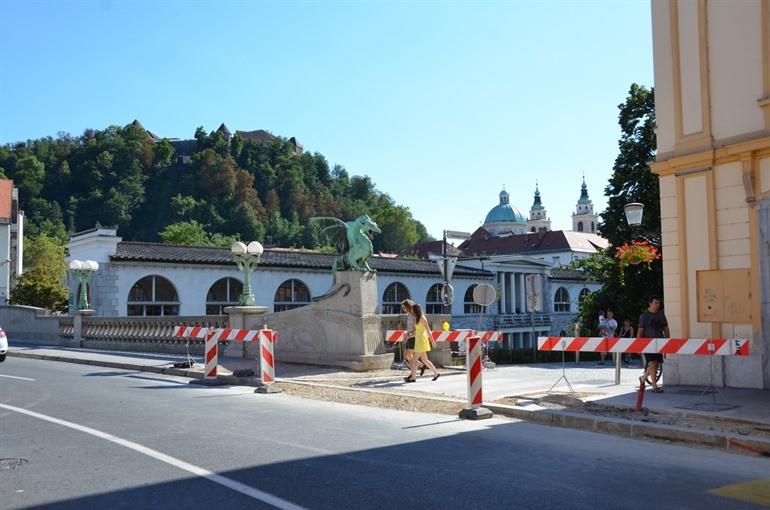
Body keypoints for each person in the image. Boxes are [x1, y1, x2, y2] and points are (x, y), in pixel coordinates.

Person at [638, 296, 669, 393]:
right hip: (647, 343)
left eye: (658, 303)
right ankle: (654, 387)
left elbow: (666, 328)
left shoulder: (661, 315)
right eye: (656, 303)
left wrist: (667, 340)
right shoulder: (644, 316)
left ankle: (643, 378)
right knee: (651, 363)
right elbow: (640, 330)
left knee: (655, 364)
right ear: (650, 303)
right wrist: (638, 345)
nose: (658, 305)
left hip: (659, 342)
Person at [404, 304, 439, 383]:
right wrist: (410, 334)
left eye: (413, 310)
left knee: (415, 360)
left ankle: (413, 377)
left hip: (422, 340)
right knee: (424, 360)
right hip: (419, 340)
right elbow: (417, 330)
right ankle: (436, 374)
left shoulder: (422, 318)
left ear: (416, 310)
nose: (411, 311)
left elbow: (428, 331)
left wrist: (432, 341)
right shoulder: (416, 318)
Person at [400, 299, 427, 375]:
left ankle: (413, 373)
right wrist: (406, 335)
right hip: (410, 337)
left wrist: (408, 334)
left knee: (409, 356)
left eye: (404, 307)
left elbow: (416, 328)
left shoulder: (413, 315)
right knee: (410, 357)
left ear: (408, 307)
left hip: (413, 337)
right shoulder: (409, 315)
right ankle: (421, 366)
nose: (403, 309)